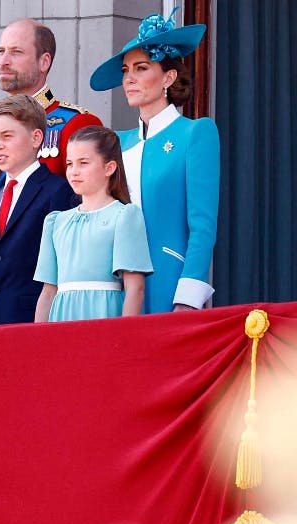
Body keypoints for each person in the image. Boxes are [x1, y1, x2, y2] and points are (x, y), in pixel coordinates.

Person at [0, 19, 101, 305]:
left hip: (42, 289)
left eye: (16, 52)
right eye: (0, 51)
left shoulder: (75, 124)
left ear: (44, 61)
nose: (4, 60)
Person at [89, 10, 218, 313]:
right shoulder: (117, 143)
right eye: (125, 70)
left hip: (168, 285)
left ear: (168, 77)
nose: (129, 78)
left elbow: (202, 226)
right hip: (114, 289)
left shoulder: (195, 133)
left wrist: (187, 298)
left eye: (141, 68)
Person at [0, 95, 78, 327]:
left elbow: (63, 270)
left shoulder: (58, 191)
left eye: (7, 136)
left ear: (36, 138)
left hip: (33, 324)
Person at [33, 126, 153, 322]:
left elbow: (135, 289)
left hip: (104, 318)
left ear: (109, 168)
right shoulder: (56, 222)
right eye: (70, 164)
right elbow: (48, 291)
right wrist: (39, 342)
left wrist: (123, 338)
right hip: (60, 321)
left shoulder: (124, 216)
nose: (73, 171)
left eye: (83, 163)